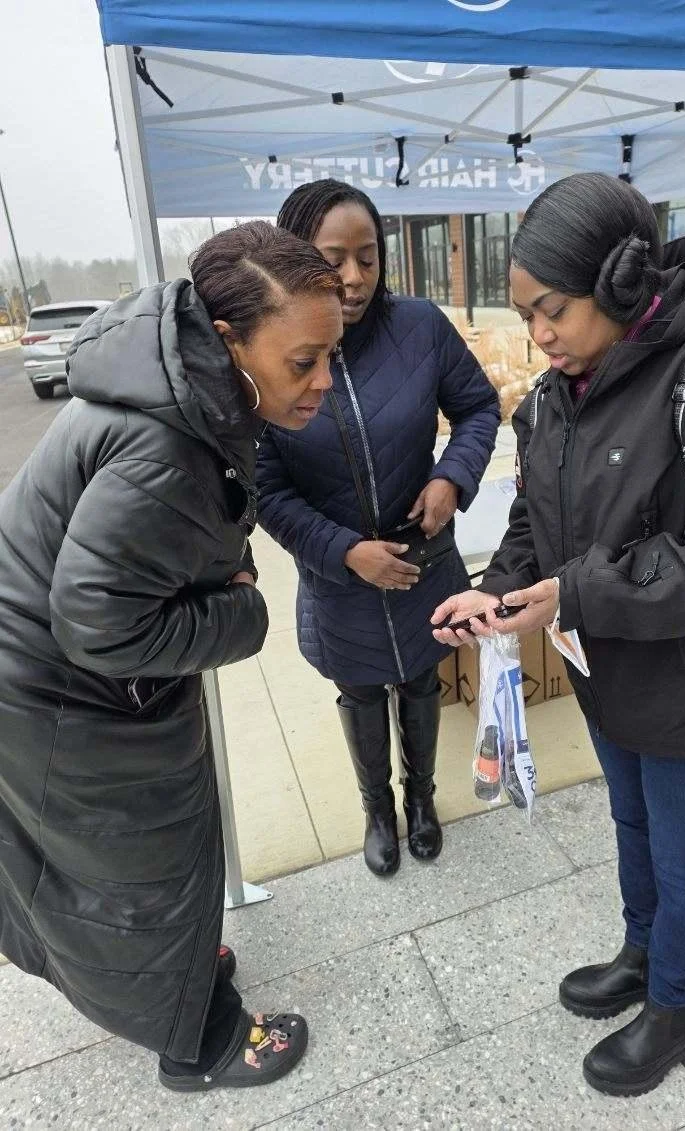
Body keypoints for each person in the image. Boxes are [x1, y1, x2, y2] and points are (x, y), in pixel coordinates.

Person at [433, 173, 685, 1097]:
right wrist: (499, 591)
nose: (541, 335)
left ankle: (679, 1007)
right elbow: (534, 513)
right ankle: (643, 954)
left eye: (552, 310)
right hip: (611, 661)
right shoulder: (561, 388)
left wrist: (572, 590)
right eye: (526, 316)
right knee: (633, 820)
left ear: (616, 280)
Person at [0, 222, 344, 1092]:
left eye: (329, 356)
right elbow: (98, 625)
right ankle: (201, 1047)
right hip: (62, 697)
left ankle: (184, 978)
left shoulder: (183, 390)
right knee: (147, 867)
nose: (323, 383)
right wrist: (240, 614)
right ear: (227, 341)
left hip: (69, 684)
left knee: (166, 855)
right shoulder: (167, 444)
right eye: (303, 361)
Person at [258, 180, 500, 876]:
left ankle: (420, 798)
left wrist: (452, 475)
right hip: (339, 580)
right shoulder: (274, 350)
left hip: (425, 561)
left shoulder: (420, 327)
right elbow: (264, 489)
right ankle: (376, 810)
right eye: (335, 258)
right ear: (295, 258)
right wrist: (344, 552)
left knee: (423, 680)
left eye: (369, 256)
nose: (356, 276)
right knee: (361, 690)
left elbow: (479, 408)